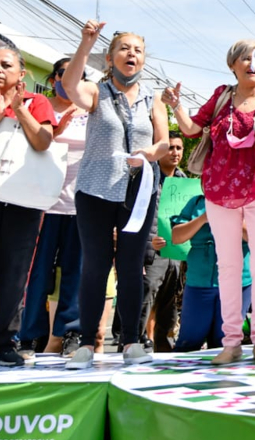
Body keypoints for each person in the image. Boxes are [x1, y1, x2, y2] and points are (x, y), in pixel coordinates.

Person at [164, 38, 255, 366]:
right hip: (219, 191)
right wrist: (176, 105)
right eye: (246, 59)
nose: (253, 65)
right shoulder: (222, 95)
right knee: (229, 265)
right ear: (233, 64)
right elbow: (192, 128)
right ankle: (231, 341)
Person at [62, 23, 169, 369]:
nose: (132, 55)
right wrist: (85, 44)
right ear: (110, 58)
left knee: (130, 265)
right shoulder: (97, 91)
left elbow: (164, 141)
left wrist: (150, 153)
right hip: (95, 189)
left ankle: (131, 342)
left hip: (138, 192)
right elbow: (68, 87)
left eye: (137, 50)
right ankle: (85, 343)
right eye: (124, 49)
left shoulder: (153, 99)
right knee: (96, 264)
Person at [0, 47, 55, 366]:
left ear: (21, 74)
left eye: (5, 65)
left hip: (23, 201)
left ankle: (2, 342)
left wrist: (18, 110)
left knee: (13, 275)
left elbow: (43, 141)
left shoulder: (37, 103)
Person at [18, 58, 86, 358]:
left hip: (79, 206)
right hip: (43, 205)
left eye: (79, 75)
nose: (71, 80)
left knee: (75, 272)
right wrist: (57, 131)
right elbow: (31, 146)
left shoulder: (90, 110)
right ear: (53, 79)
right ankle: (29, 335)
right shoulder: (39, 107)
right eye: (64, 74)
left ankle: (71, 331)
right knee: (38, 273)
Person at [171, 193, 252, 351]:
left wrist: (230, 216)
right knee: (189, 341)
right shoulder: (196, 202)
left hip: (237, 283)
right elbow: (176, 237)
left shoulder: (248, 201)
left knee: (224, 342)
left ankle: (222, 376)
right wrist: (204, 218)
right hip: (199, 282)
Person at [140, 132, 187, 352]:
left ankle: (165, 352)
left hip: (176, 253)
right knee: (145, 299)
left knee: (170, 306)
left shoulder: (184, 181)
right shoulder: (146, 177)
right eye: (170, 148)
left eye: (179, 148)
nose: (175, 152)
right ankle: (134, 344)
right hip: (150, 250)